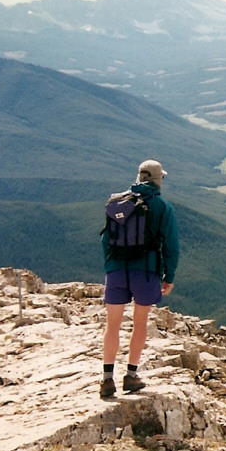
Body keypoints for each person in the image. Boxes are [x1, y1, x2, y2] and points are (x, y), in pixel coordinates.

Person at [100, 159, 179, 398]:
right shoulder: (162, 207)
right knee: (140, 323)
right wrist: (168, 276)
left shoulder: (118, 202)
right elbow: (171, 246)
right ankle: (131, 375)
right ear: (157, 179)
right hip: (145, 272)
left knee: (112, 325)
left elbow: (106, 241)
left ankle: (106, 379)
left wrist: (111, 268)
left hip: (116, 270)